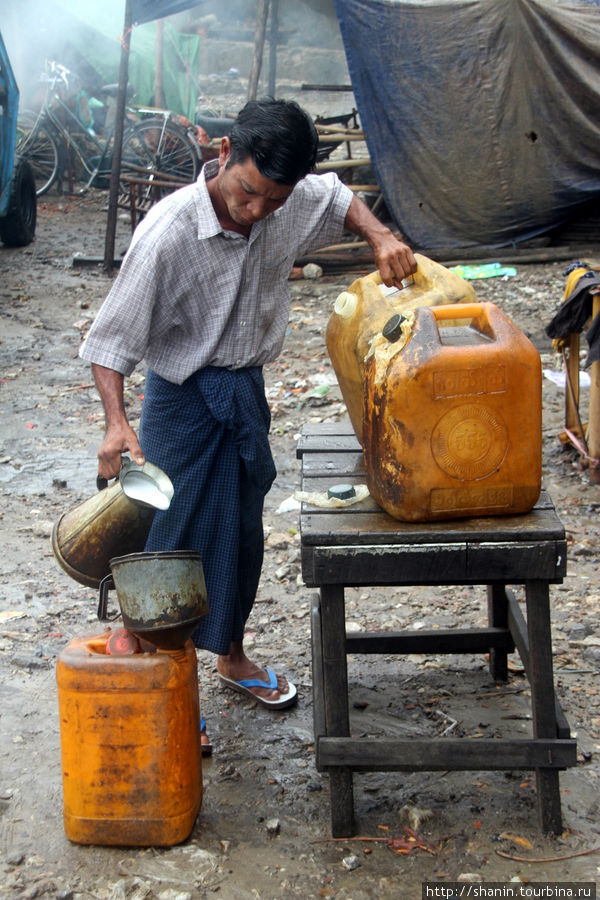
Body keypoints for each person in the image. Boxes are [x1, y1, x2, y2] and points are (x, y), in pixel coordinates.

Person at [80, 98, 416, 742]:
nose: (256, 210)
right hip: (182, 399)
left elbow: (334, 194)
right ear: (225, 152)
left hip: (244, 393)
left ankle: (230, 655)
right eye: (248, 193)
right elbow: (110, 340)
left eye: (273, 201)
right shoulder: (169, 231)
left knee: (239, 534)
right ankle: (163, 678)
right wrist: (116, 422)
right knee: (171, 544)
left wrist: (378, 234)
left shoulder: (286, 199)